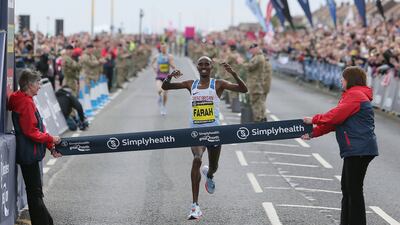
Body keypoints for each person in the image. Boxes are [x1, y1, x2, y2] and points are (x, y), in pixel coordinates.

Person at [162, 56, 248, 220]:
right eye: (200, 64)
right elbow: (166, 86)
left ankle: (210, 175)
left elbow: (243, 90)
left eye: (206, 64)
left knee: (214, 166)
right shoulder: (190, 84)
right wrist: (170, 75)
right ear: (197, 66)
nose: (203, 67)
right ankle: (195, 206)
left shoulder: (218, 84)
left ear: (211, 67)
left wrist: (234, 73)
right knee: (197, 159)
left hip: (215, 133)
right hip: (196, 132)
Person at [301, 66, 378, 225]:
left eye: (343, 78)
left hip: (359, 148)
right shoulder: (351, 95)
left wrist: (314, 119)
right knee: (348, 189)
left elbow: (335, 116)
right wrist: (313, 133)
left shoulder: (355, 95)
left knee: (354, 190)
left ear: (350, 79)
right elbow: (337, 122)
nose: (340, 81)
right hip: (356, 148)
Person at [8, 69, 62, 225]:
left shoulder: (20, 98)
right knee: (35, 192)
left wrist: (50, 145)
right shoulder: (26, 102)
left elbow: (35, 128)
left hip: (27, 151)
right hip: (29, 153)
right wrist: (51, 139)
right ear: (29, 85)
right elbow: (31, 131)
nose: (40, 86)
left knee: (34, 192)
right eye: (38, 83)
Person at [244, 43, 267, 122]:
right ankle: (262, 117)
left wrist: (242, 64)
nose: (250, 51)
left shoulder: (258, 58)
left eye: (251, 49)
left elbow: (250, 67)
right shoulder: (258, 57)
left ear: (255, 49)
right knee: (259, 101)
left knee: (255, 102)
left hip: (255, 83)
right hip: (256, 83)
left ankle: (258, 118)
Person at [151, 43, 176, 115]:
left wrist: (171, 64)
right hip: (159, 76)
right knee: (159, 90)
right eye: (162, 48)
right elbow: (152, 63)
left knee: (165, 93)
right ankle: (159, 97)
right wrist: (154, 68)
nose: (163, 49)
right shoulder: (157, 56)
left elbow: (173, 66)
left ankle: (163, 107)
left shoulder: (169, 56)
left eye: (165, 48)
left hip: (167, 77)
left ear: (166, 48)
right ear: (160, 49)